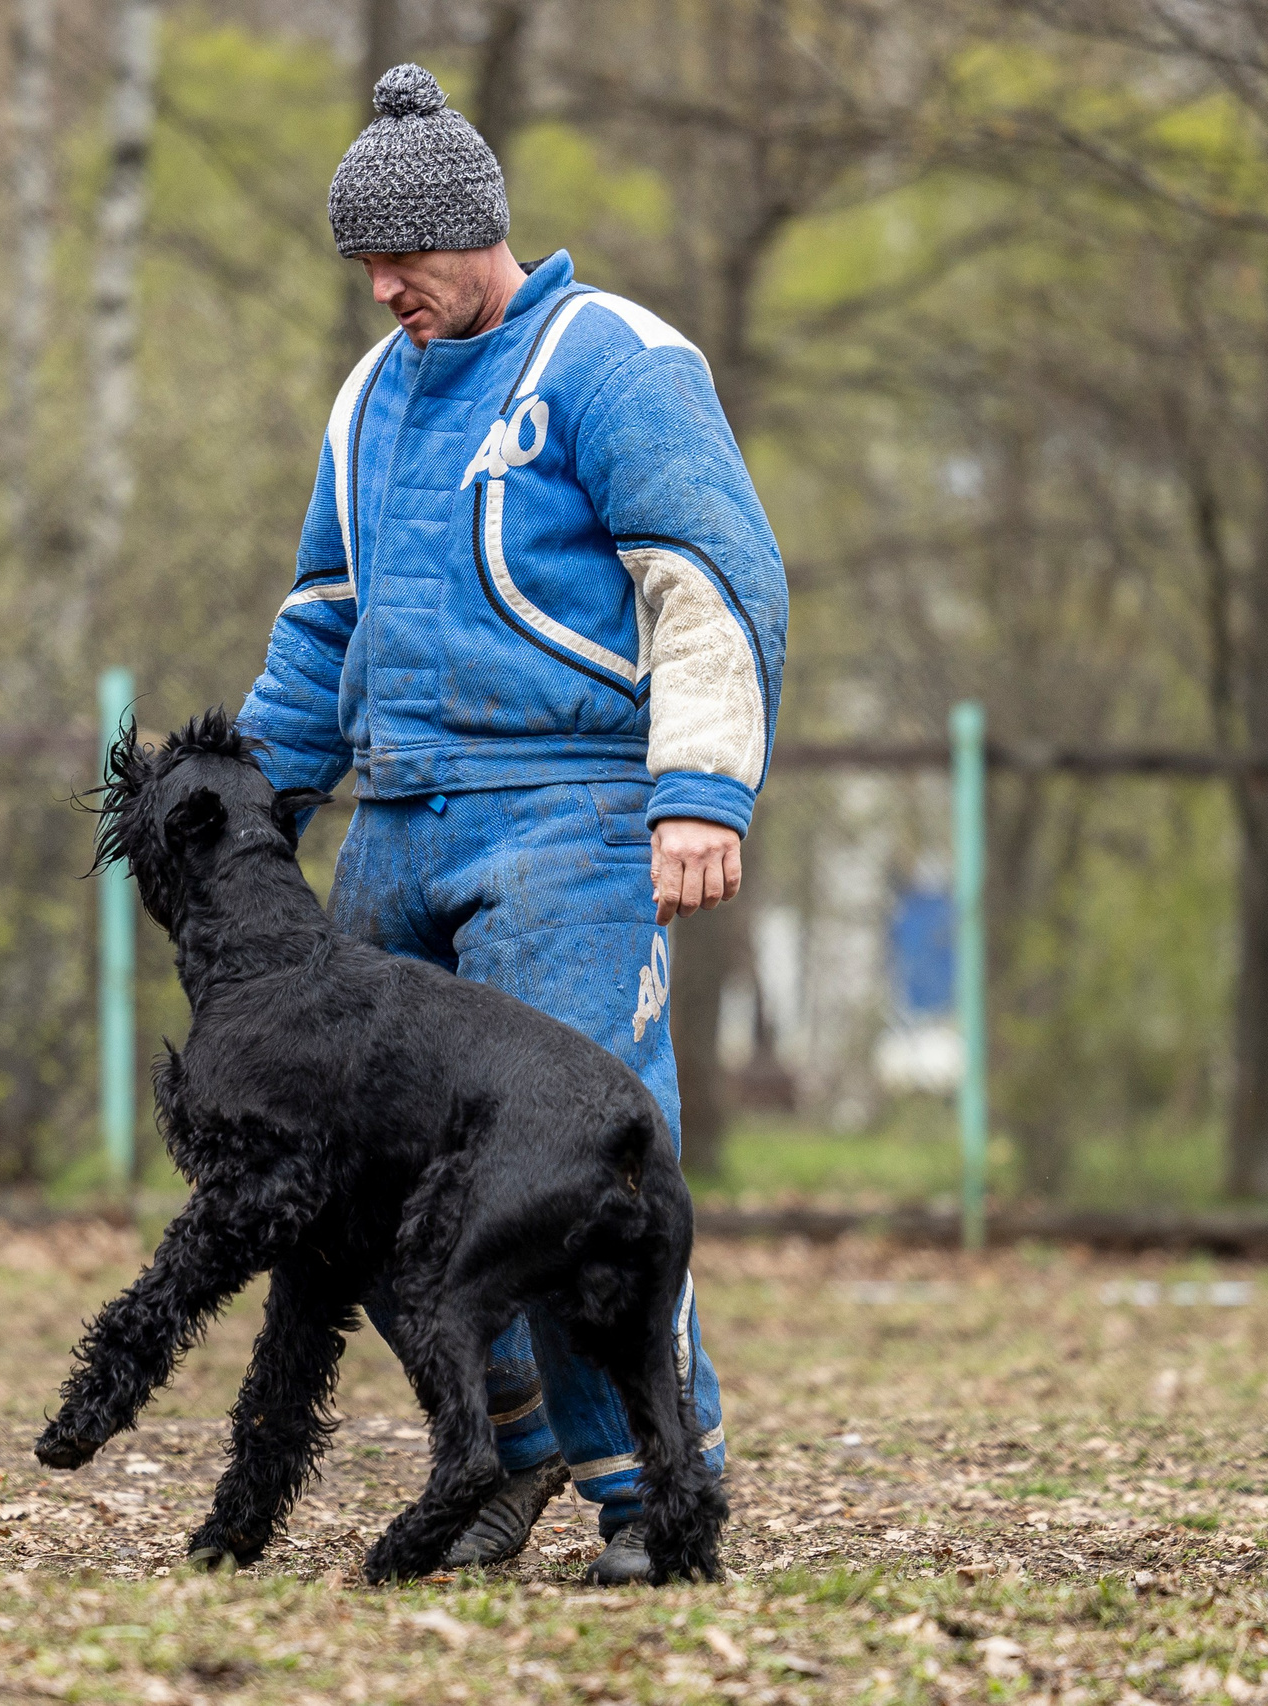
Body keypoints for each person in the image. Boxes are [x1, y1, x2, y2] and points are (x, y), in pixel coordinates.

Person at [236, 62, 785, 1586]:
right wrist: (249, 815)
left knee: (575, 1178)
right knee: (360, 1174)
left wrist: (699, 792)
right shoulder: (369, 395)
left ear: (477, 229)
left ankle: (651, 1492)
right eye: (364, 263)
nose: (382, 289)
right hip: (398, 816)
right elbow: (322, 622)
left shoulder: (614, 361)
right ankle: (505, 1448)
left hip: (573, 819)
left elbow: (712, 580)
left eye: (401, 257)